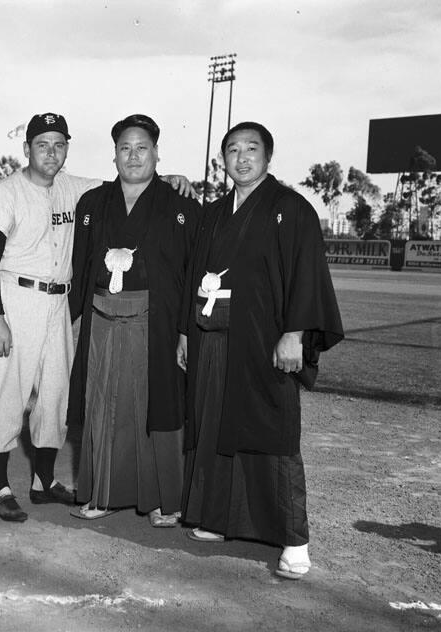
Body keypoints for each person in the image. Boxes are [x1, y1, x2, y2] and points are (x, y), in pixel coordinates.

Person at [0, 112, 192, 522]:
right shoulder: (7, 191)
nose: (51, 153)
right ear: (27, 149)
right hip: (16, 299)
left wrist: (172, 176)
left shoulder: (74, 189)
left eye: (59, 145)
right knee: (7, 395)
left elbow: (129, 183)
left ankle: (42, 481)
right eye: (43, 144)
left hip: (58, 302)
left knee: (56, 395)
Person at [178, 121, 343, 579]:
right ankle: (216, 519)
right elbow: (193, 274)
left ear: (268, 157)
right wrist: (185, 333)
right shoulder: (212, 214)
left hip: (265, 340)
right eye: (232, 149)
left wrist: (296, 332)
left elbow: (307, 274)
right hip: (212, 340)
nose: (242, 157)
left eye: (252, 149)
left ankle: (294, 540)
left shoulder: (291, 208)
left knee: (273, 433)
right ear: (223, 159)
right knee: (212, 427)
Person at [67, 114, 199, 526]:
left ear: (157, 153)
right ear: (114, 155)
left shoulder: (181, 205)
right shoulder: (93, 203)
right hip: (102, 319)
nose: (133, 155)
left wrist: (184, 331)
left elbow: (192, 271)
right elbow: (80, 266)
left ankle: (164, 499)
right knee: (104, 404)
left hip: (154, 321)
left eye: (142, 147)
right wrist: (73, 321)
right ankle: (102, 493)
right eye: (125, 148)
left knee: (154, 407)